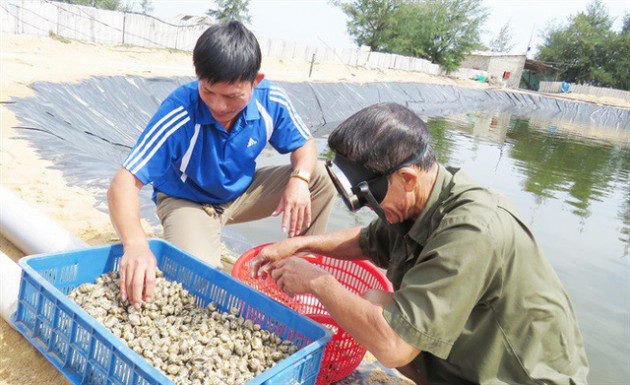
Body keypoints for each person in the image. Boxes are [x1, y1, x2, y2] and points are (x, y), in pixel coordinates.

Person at [251, 103, 589, 384]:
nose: (371, 211)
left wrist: (316, 281)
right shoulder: (421, 198)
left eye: (371, 199)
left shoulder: (473, 229)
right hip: (468, 357)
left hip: (525, 377)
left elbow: (395, 347)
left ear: (408, 177)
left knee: (382, 319)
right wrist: (300, 246)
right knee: (375, 304)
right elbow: (367, 241)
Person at [108, 21, 335, 310]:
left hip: (239, 195)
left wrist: (299, 180)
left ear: (256, 81)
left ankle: (302, 274)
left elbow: (306, 144)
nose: (218, 106)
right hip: (186, 200)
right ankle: (197, 242)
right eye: (208, 91)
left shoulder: (272, 101)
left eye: (232, 96)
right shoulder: (180, 110)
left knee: (319, 179)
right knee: (199, 288)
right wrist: (136, 244)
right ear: (198, 78)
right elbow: (124, 181)